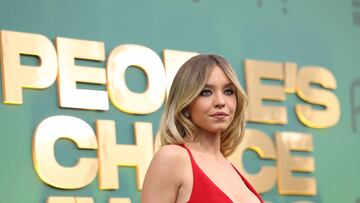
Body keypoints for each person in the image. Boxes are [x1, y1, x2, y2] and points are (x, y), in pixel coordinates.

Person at [141, 54, 263, 203]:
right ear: (186, 104)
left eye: (228, 91)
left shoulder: (231, 168)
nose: (220, 101)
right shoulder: (172, 158)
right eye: (206, 92)